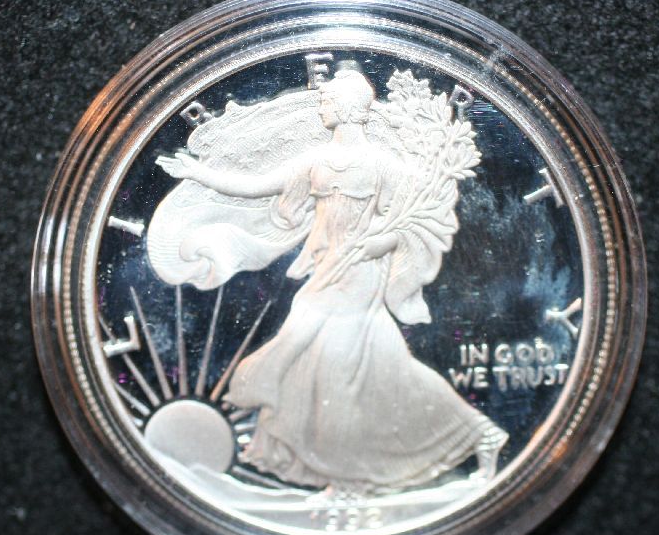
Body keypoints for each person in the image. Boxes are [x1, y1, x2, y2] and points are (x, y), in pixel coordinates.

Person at [156, 69, 506, 495]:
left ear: (347, 107)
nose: (320, 106)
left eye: (326, 100)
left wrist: (382, 242)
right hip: (329, 268)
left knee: (329, 362)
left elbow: (422, 218)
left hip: (361, 274)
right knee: (378, 367)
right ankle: (474, 435)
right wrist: (199, 174)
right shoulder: (316, 162)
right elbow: (256, 186)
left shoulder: (383, 166)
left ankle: (349, 478)